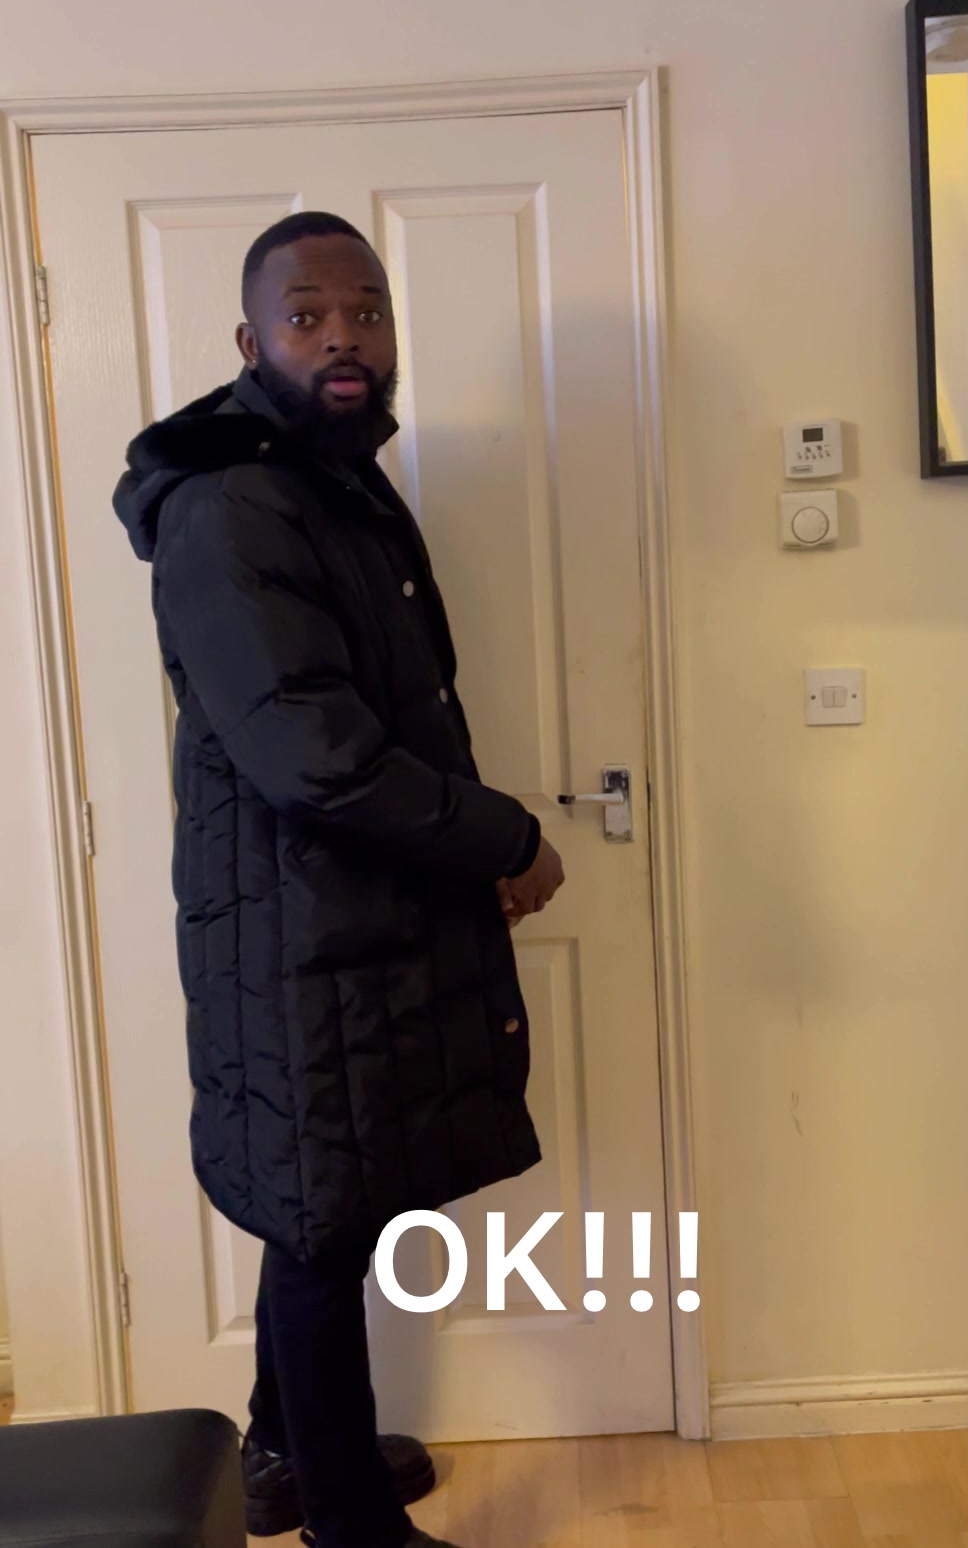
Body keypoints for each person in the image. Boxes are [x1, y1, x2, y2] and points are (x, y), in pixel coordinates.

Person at [113, 211, 566, 1548]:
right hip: (298, 934)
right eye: (307, 316)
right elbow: (318, 756)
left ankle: (282, 1455)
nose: (343, 338)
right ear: (251, 340)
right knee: (322, 1222)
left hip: (343, 917)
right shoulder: (231, 507)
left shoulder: (325, 482)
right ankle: (349, 1525)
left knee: (326, 1205)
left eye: (365, 311)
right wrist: (503, 839)